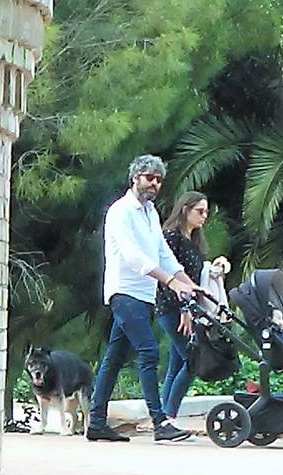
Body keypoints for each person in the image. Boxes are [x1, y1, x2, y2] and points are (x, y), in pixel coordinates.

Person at [86, 154, 201, 443]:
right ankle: (160, 422)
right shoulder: (120, 211)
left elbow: (162, 252)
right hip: (124, 292)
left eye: (159, 180)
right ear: (135, 177)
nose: (154, 183)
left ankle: (96, 422)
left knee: (113, 358)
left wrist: (190, 284)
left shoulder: (150, 213)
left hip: (143, 294)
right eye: (149, 177)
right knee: (149, 351)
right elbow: (133, 256)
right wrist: (171, 282)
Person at [155, 192, 230, 421]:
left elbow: (194, 276)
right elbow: (168, 275)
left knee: (177, 363)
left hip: (186, 306)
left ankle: (162, 417)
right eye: (200, 211)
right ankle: (169, 416)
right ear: (185, 210)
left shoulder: (194, 241)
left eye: (206, 211)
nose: (204, 216)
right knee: (192, 360)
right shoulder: (172, 237)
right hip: (171, 306)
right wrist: (185, 308)